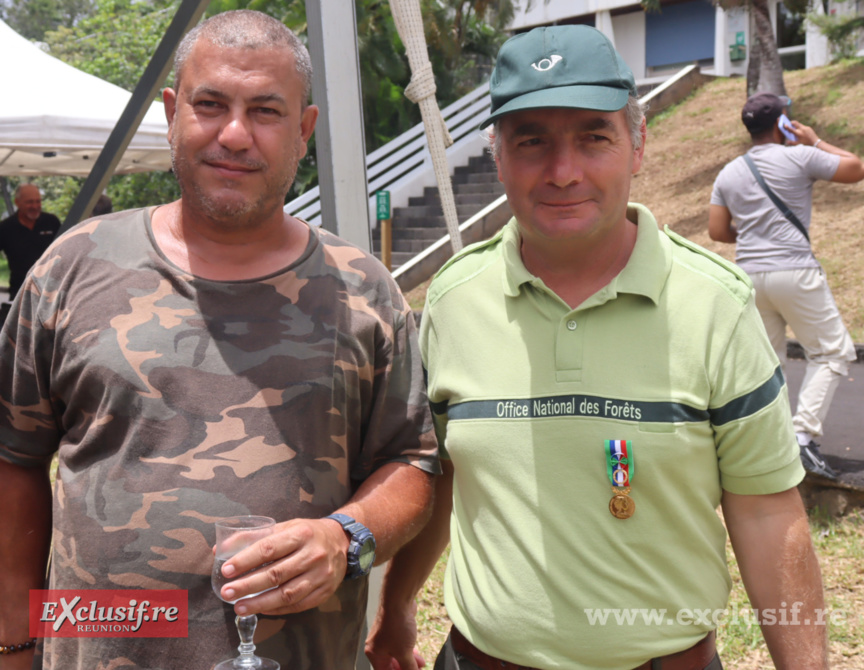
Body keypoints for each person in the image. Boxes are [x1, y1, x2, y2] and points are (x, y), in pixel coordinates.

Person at [365, 26, 828, 670]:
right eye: (532, 140)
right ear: (497, 155)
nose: (564, 171)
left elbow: (767, 512)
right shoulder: (452, 299)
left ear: (638, 145)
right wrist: (397, 610)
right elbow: (445, 476)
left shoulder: (716, 305)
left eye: (594, 136)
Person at [0, 10, 438, 670]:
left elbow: (414, 463)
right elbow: (14, 457)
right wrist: (15, 636)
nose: (235, 135)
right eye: (210, 105)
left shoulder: (363, 291)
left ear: (303, 130)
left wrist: (346, 538)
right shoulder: (74, 265)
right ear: (173, 113)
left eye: (266, 111)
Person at [709, 92, 864, 480]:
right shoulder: (800, 156)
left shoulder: (728, 172)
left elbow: (717, 230)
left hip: (749, 275)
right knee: (832, 353)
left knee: (769, 363)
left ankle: (772, 445)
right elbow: (855, 168)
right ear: (781, 123)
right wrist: (813, 140)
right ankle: (803, 438)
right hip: (794, 270)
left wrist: (755, 232)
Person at [0, 184, 60, 299]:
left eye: (38, 201)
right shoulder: (6, 227)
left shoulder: (52, 222)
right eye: (30, 202)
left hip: (51, 291)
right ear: (17, 202)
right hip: (21, 292)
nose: (35, 206)